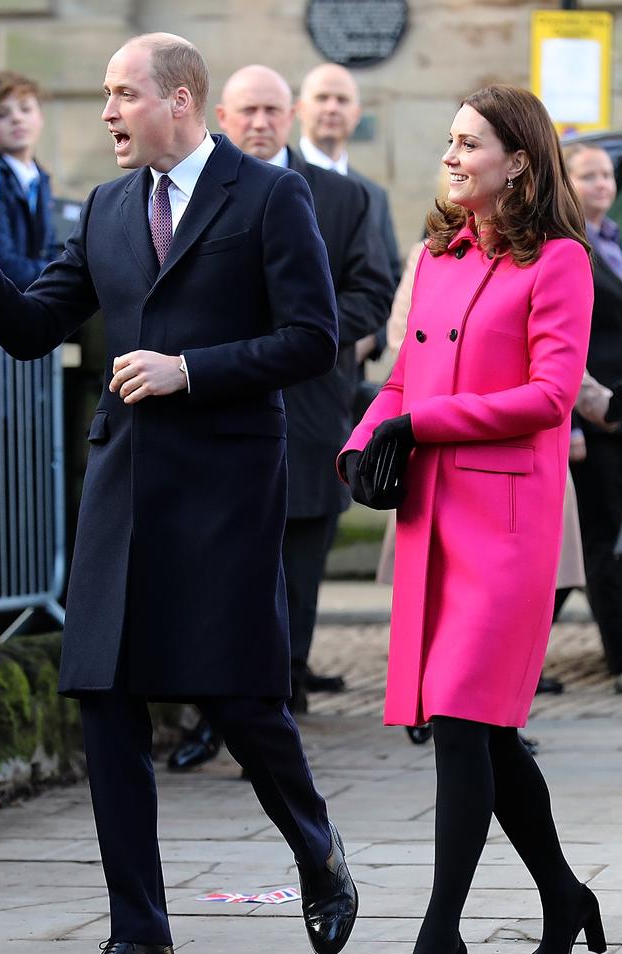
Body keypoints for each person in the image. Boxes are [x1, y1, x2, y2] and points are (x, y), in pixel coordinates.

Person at [0, 32, 358, 954]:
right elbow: (33, 329)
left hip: (229, 484)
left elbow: (314, 340)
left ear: (181, 101)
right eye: (105, 95)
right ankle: (140, 936)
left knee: (239, 697)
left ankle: (317, 851)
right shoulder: (109, 206)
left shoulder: (270, 196)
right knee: (104, 700)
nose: (106, 112)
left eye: (122, 94)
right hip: (123, 480)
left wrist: (189, 370)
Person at [339, 86, 602, 954]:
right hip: (431, 520)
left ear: (518, 162)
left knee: (458, 718)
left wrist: (418, 423)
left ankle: (438, 940)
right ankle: (565, 899)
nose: (451, 156)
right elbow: (401, 377)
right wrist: (362, 441)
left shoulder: (561, 261)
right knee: (485, 732)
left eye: (467, 143)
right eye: (448, 141)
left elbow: (549, 394)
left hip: (506, 528)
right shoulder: (437, 255)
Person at [218, 64, 390, 713]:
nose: (260, 124)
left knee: (299, 566)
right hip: (220, 406)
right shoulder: (197, 192)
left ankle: (284, 693)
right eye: (247, 112)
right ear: (223, 120)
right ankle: (220, 710)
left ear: (289, 116)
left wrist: (299, 335)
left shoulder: (344, 199)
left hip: (312, 404)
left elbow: (372, 291)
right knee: (229, 568)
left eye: (272, 111)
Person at [565, 143, 622, 696]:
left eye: (607, 175)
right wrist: (570, 424)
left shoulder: (616, 240)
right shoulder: (566, 247)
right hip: (591, 417)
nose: (601, 184)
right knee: (603, 537)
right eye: (588, 175)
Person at [297, 61, 401, 373]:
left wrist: (369, 341)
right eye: (322, 98)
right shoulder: (278, 179)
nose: (331, 108)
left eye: (342, 100)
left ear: (356, 114)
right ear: (300, 109)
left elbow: (390, 281)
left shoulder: (372, 195)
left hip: (345, 370)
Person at [0, 71, 59, 289]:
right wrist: (60, 278)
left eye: (26, 109)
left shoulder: (40, 176)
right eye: (2, 113)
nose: (17, 118)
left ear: (41, 116)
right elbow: (0, 261)